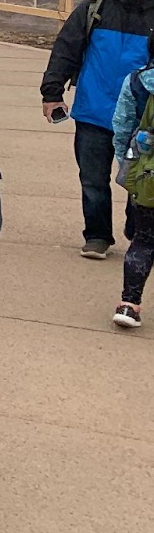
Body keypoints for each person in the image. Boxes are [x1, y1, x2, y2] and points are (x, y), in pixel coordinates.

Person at [41, 0, 154, 258]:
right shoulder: (95, 7)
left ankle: (138, 232)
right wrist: (52, 93)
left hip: (142, 118)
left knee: (142, 181)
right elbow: (65, 49)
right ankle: (97, 236)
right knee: (93, 180)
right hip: (94, 111)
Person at [111, 34, 154, 328]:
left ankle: (129, 304)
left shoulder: (138, 81)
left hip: (147, 173)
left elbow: (122, 124)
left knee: (143, 240)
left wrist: (126, 164)